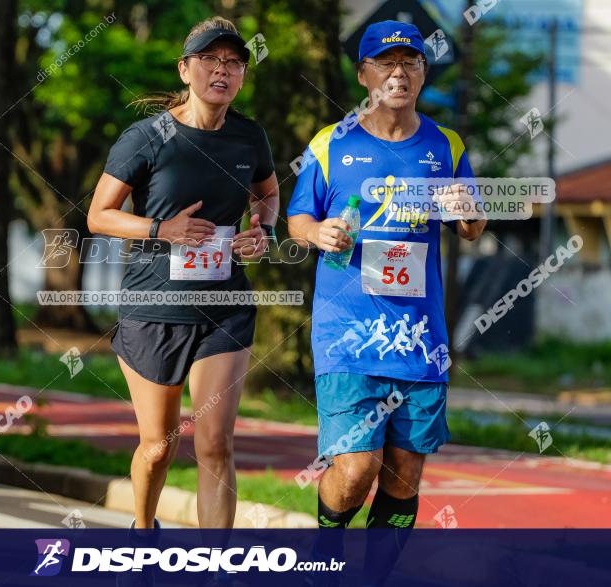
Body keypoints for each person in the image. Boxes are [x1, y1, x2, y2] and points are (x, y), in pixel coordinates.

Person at [287, 19, 485, 582]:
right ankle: (326, 555)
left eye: (412, 63)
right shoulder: (333, 142)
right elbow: (298, 216)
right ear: (363, 74)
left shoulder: (446, 146)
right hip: (348, 334)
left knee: (403, 473)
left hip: (419, 339)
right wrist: (316, 232)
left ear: (423, 73)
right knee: (354, 470)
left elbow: (472, 225)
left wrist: (465, 208)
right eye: (386, 63)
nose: (399, 73)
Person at [87, 15, 279, 539]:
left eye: (234, 62)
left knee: (215, 442)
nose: (223, 70)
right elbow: (99, 215)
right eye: (211, 60)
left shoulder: (249, 136)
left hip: (225, 307)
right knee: (158, 445)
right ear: (185, 68)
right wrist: (160, 228)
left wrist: (261, 226)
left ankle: (216, 565)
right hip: (155, 309)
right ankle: (143, 532)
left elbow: (267, 194)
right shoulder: (147, 137)